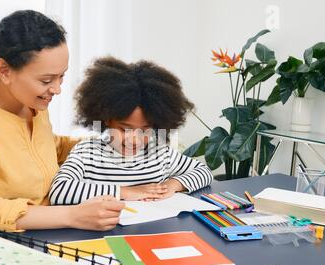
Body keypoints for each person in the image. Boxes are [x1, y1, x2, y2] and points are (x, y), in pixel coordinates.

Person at [0, 10, 124, 232]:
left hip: (47, 233)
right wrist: (71, 215)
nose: (57, 89)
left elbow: (46, 148)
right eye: (46, 80)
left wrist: (108, 144)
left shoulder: (32, 103)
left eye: (61, 76)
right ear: (4, 71)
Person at [49, 56, 213, 205]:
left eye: (145, 130)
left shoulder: (159, 154)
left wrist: (172, 185)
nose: (134, 139)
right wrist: (126, 192)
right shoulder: (88, 153)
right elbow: (59, 191)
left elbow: (203, 172)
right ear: (107, 119)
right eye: (125, 129)